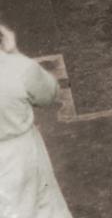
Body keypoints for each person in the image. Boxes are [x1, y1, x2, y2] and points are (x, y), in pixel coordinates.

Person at [0, 23, 72, 218]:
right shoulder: (17, 67)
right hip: (20, 154)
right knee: (44, 206)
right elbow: (50, 93)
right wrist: (14, 53)